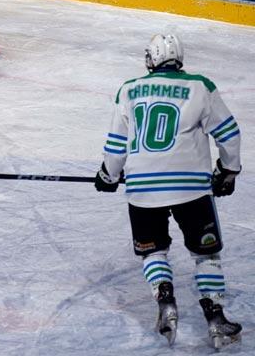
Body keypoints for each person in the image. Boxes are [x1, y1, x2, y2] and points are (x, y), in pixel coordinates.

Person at [94, 34, 242, 349]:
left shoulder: (129, 89)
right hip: (191, 188)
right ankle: (215, 318)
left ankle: (165, 301)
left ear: (151, 59)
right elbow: (228, 133)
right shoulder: (201, 86)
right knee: (206, 254)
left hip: (143, 190)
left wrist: (108, 175)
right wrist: (228, 170)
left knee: (153, 250)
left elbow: (117, 146)